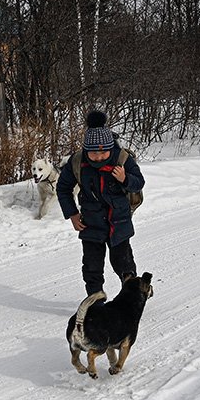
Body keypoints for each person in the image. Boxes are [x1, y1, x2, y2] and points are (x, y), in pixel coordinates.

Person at [57, 110, 146, 295]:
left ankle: (133, 295)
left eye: (104, 152)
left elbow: (139, 182)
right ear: (86, 150)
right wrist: (72, 214)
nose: (98, 157)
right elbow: (63, 188)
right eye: (94, 153)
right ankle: (95, 299)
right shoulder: (77, 161)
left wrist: (125, 179)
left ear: (110, 148)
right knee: (92, 267)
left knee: (124, 264)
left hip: (119, 222)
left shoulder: (122, 158)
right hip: (90, 223)